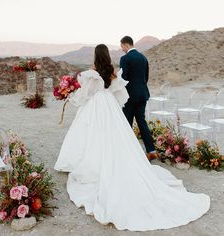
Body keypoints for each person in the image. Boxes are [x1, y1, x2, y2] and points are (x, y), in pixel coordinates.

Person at [54, 44, 210, 231]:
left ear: (96, 56)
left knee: (91, 137)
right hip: (109, 107)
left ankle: (91, 165)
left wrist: (70, 97)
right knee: (115, 137)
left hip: (96, 107)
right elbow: (119, 93)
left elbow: (85, 95)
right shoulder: (111, 72)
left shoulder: (91, 73)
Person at [120, 36, 157, 161]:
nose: (121, 49)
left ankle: (127, 151)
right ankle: (151, 151)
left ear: (126, 44)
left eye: (121, 46)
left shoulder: (125, 58)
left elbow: (123, 78)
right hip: (143, 94)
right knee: (142, 122)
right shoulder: (143, 57)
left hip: (130, 96)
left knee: (127, 123)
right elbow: (146, 77)